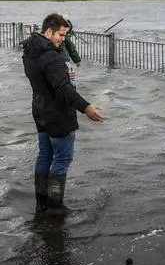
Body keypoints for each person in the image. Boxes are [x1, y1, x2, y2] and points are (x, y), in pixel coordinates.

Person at [23, 12, 104, 216]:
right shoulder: (52, 57)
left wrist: (62, 75)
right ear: (48, 31)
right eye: (61, 35)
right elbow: (63, 89)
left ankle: (41, 202)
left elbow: (45, 80)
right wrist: (86, 107)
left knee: (44, 155)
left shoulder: (30, 51)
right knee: (61, 159)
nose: (63, 39)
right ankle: (56, 206)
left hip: (39, 110)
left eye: (65, 35)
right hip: (58, 115)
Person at [59, 13, 81, 86]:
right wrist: (77, 60)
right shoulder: (64, 34)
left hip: (61, 60)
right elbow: (71, 48)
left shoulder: (55, 31)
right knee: (70, 80)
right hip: (65, 60)